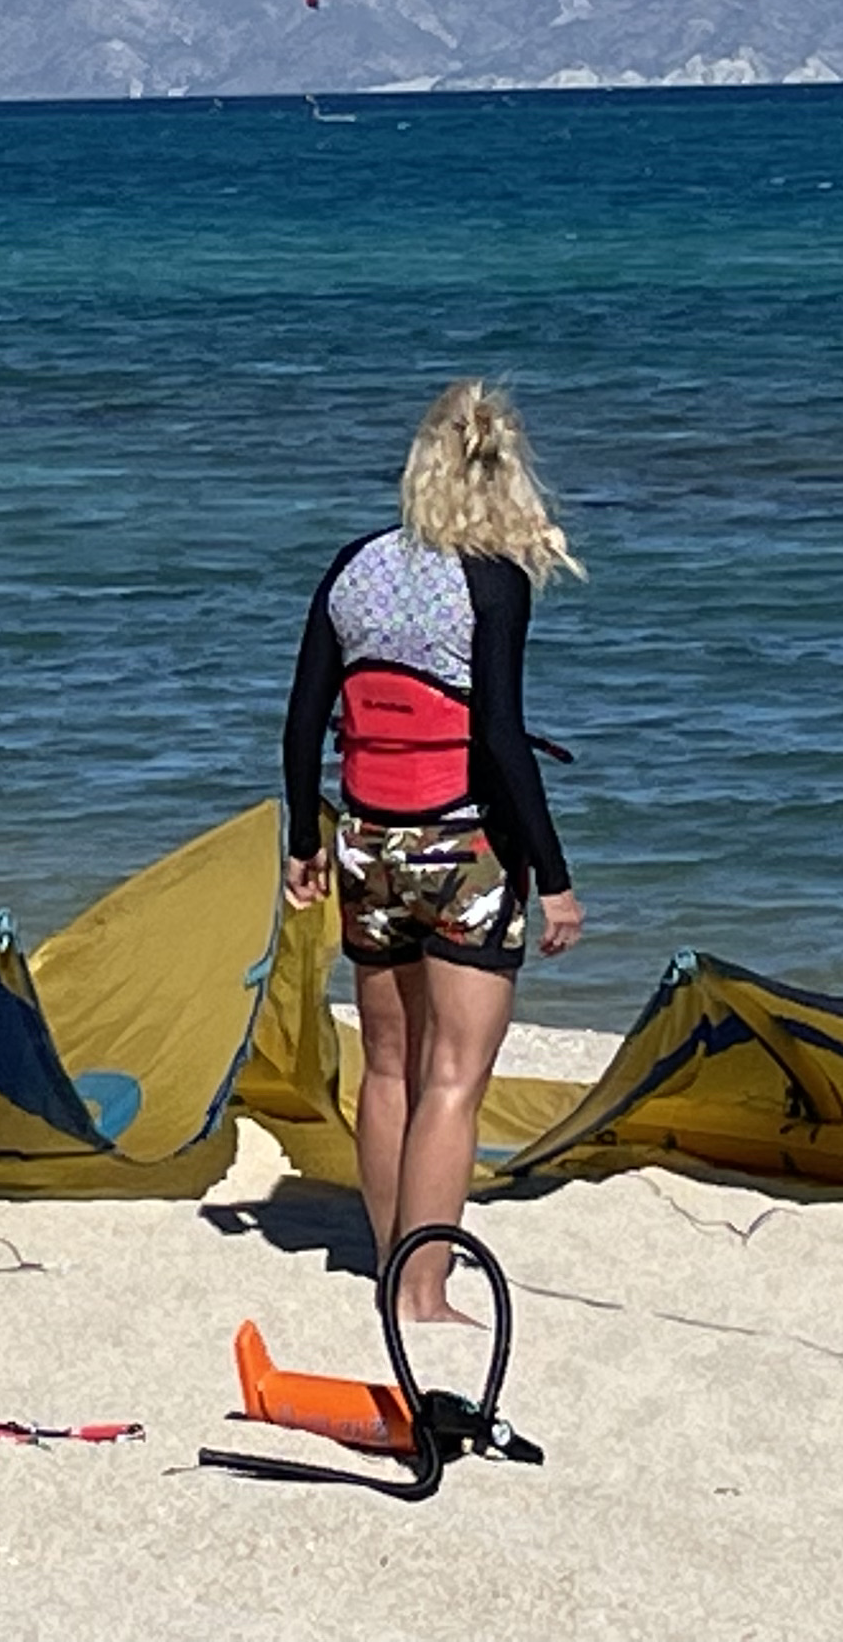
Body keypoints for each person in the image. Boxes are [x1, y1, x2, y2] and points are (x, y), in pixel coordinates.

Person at [280, 380, 585, 1325]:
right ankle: (425, 1292)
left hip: (367, 842)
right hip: (464, 844)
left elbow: (300, 724)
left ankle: (387, 1272)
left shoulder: (353, 568)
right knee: (454, 1078)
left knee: (386, 1068)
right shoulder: (493, 579)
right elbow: (499, 735)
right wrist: (558, 879)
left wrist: (304, 839)